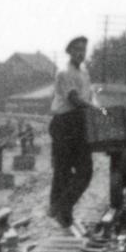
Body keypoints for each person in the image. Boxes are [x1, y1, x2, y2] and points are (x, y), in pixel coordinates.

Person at [49, 35, 104, 229]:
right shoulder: (64, 73)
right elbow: (74, 99)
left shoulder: (84, 73)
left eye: (84, 49)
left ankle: (60, 207)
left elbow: (89, 96)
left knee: (85, 171)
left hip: (80, 123)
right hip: (65, 123)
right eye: (77, 49)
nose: (81, 53)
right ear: (70, 51)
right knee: (63, 172)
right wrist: (95, 110)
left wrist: (97, 106)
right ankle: (63, 214)